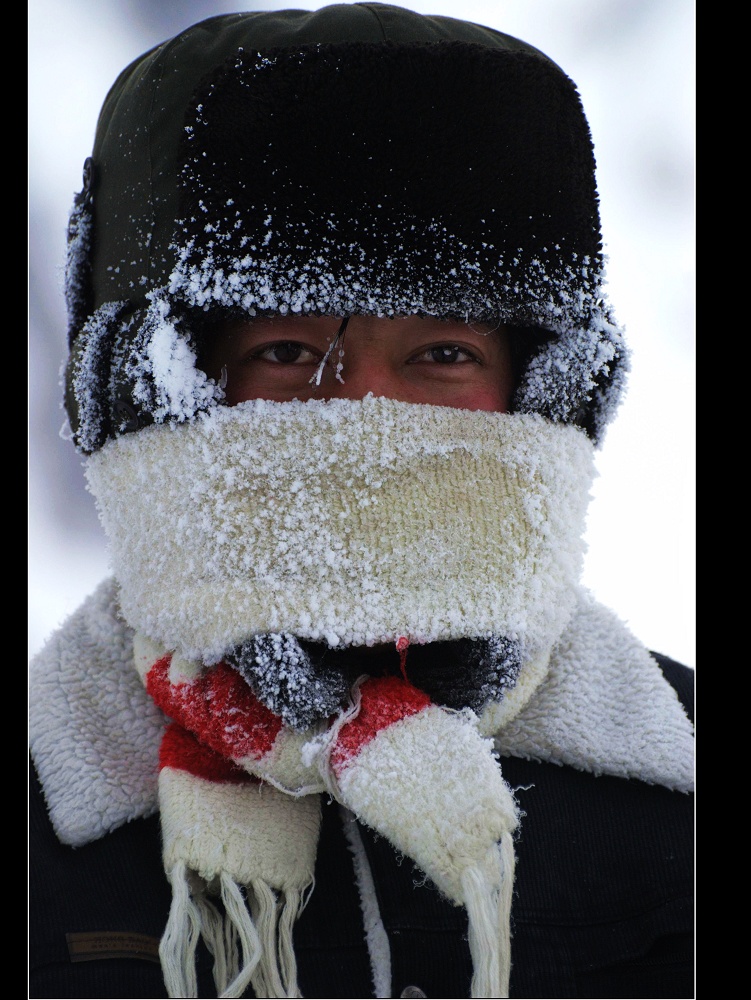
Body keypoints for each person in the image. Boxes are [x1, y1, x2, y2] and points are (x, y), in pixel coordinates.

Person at [28, 3, 694, 998]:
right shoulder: (48, 804)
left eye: (441, 354)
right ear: (156, 397)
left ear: (539, 392)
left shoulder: (673, 790)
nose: (367, 419)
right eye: (287, 354)